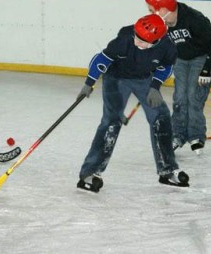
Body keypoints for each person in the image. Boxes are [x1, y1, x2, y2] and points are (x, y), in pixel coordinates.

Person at [76, 14, 189, 193]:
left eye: (144, 41)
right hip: (116, 78)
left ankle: (167, 170)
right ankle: (90, 172)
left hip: (144, 79)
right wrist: (89, 82)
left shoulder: (167, 47)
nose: (137, 42)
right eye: (137, 36)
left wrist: (155, 86)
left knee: (161, 117)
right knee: (112, 121)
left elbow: (165, 67)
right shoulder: (125, 39)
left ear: (157, 40)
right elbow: (102, 59)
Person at [145, 0, 211, 154]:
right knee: (180, 97)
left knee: (194, 96)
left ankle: (196, 136)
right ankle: (178, 135)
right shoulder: (162, 24)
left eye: (152, 10)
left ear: (165, 9)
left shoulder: (194, 19)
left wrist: (206, 69)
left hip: (201, 58)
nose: (150, 14)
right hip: (180, 59)